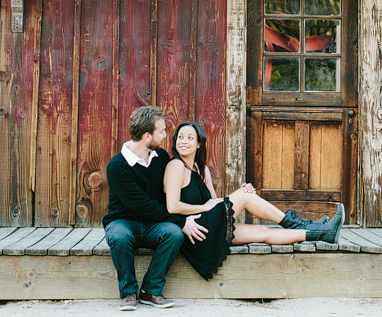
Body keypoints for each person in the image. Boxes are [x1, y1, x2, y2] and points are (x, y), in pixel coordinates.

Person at [164, 121, 344, 280]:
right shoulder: (175, 166)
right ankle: (298, 224)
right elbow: (172, 206)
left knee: (262, 231)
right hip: (197, 231)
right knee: (244, 195)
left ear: (198, 144)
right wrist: (238, 197)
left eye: (189, 138)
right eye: (180, 137)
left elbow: (214, 203)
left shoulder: (202, 169)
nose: (184, 141)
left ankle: (321, 234)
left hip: (208, 226)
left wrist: (238, 196)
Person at [103, 106, 207, 311]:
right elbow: (143, 205)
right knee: (119, 236)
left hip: (154, 225)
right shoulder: (117, 166)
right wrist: (181, 220)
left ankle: (150, 290)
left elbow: (175, 191)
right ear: (146, 135)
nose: (165, 135)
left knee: (173, 234)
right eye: (161, 131)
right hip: (124, 221)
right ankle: (128, 292)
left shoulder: (160, 157)